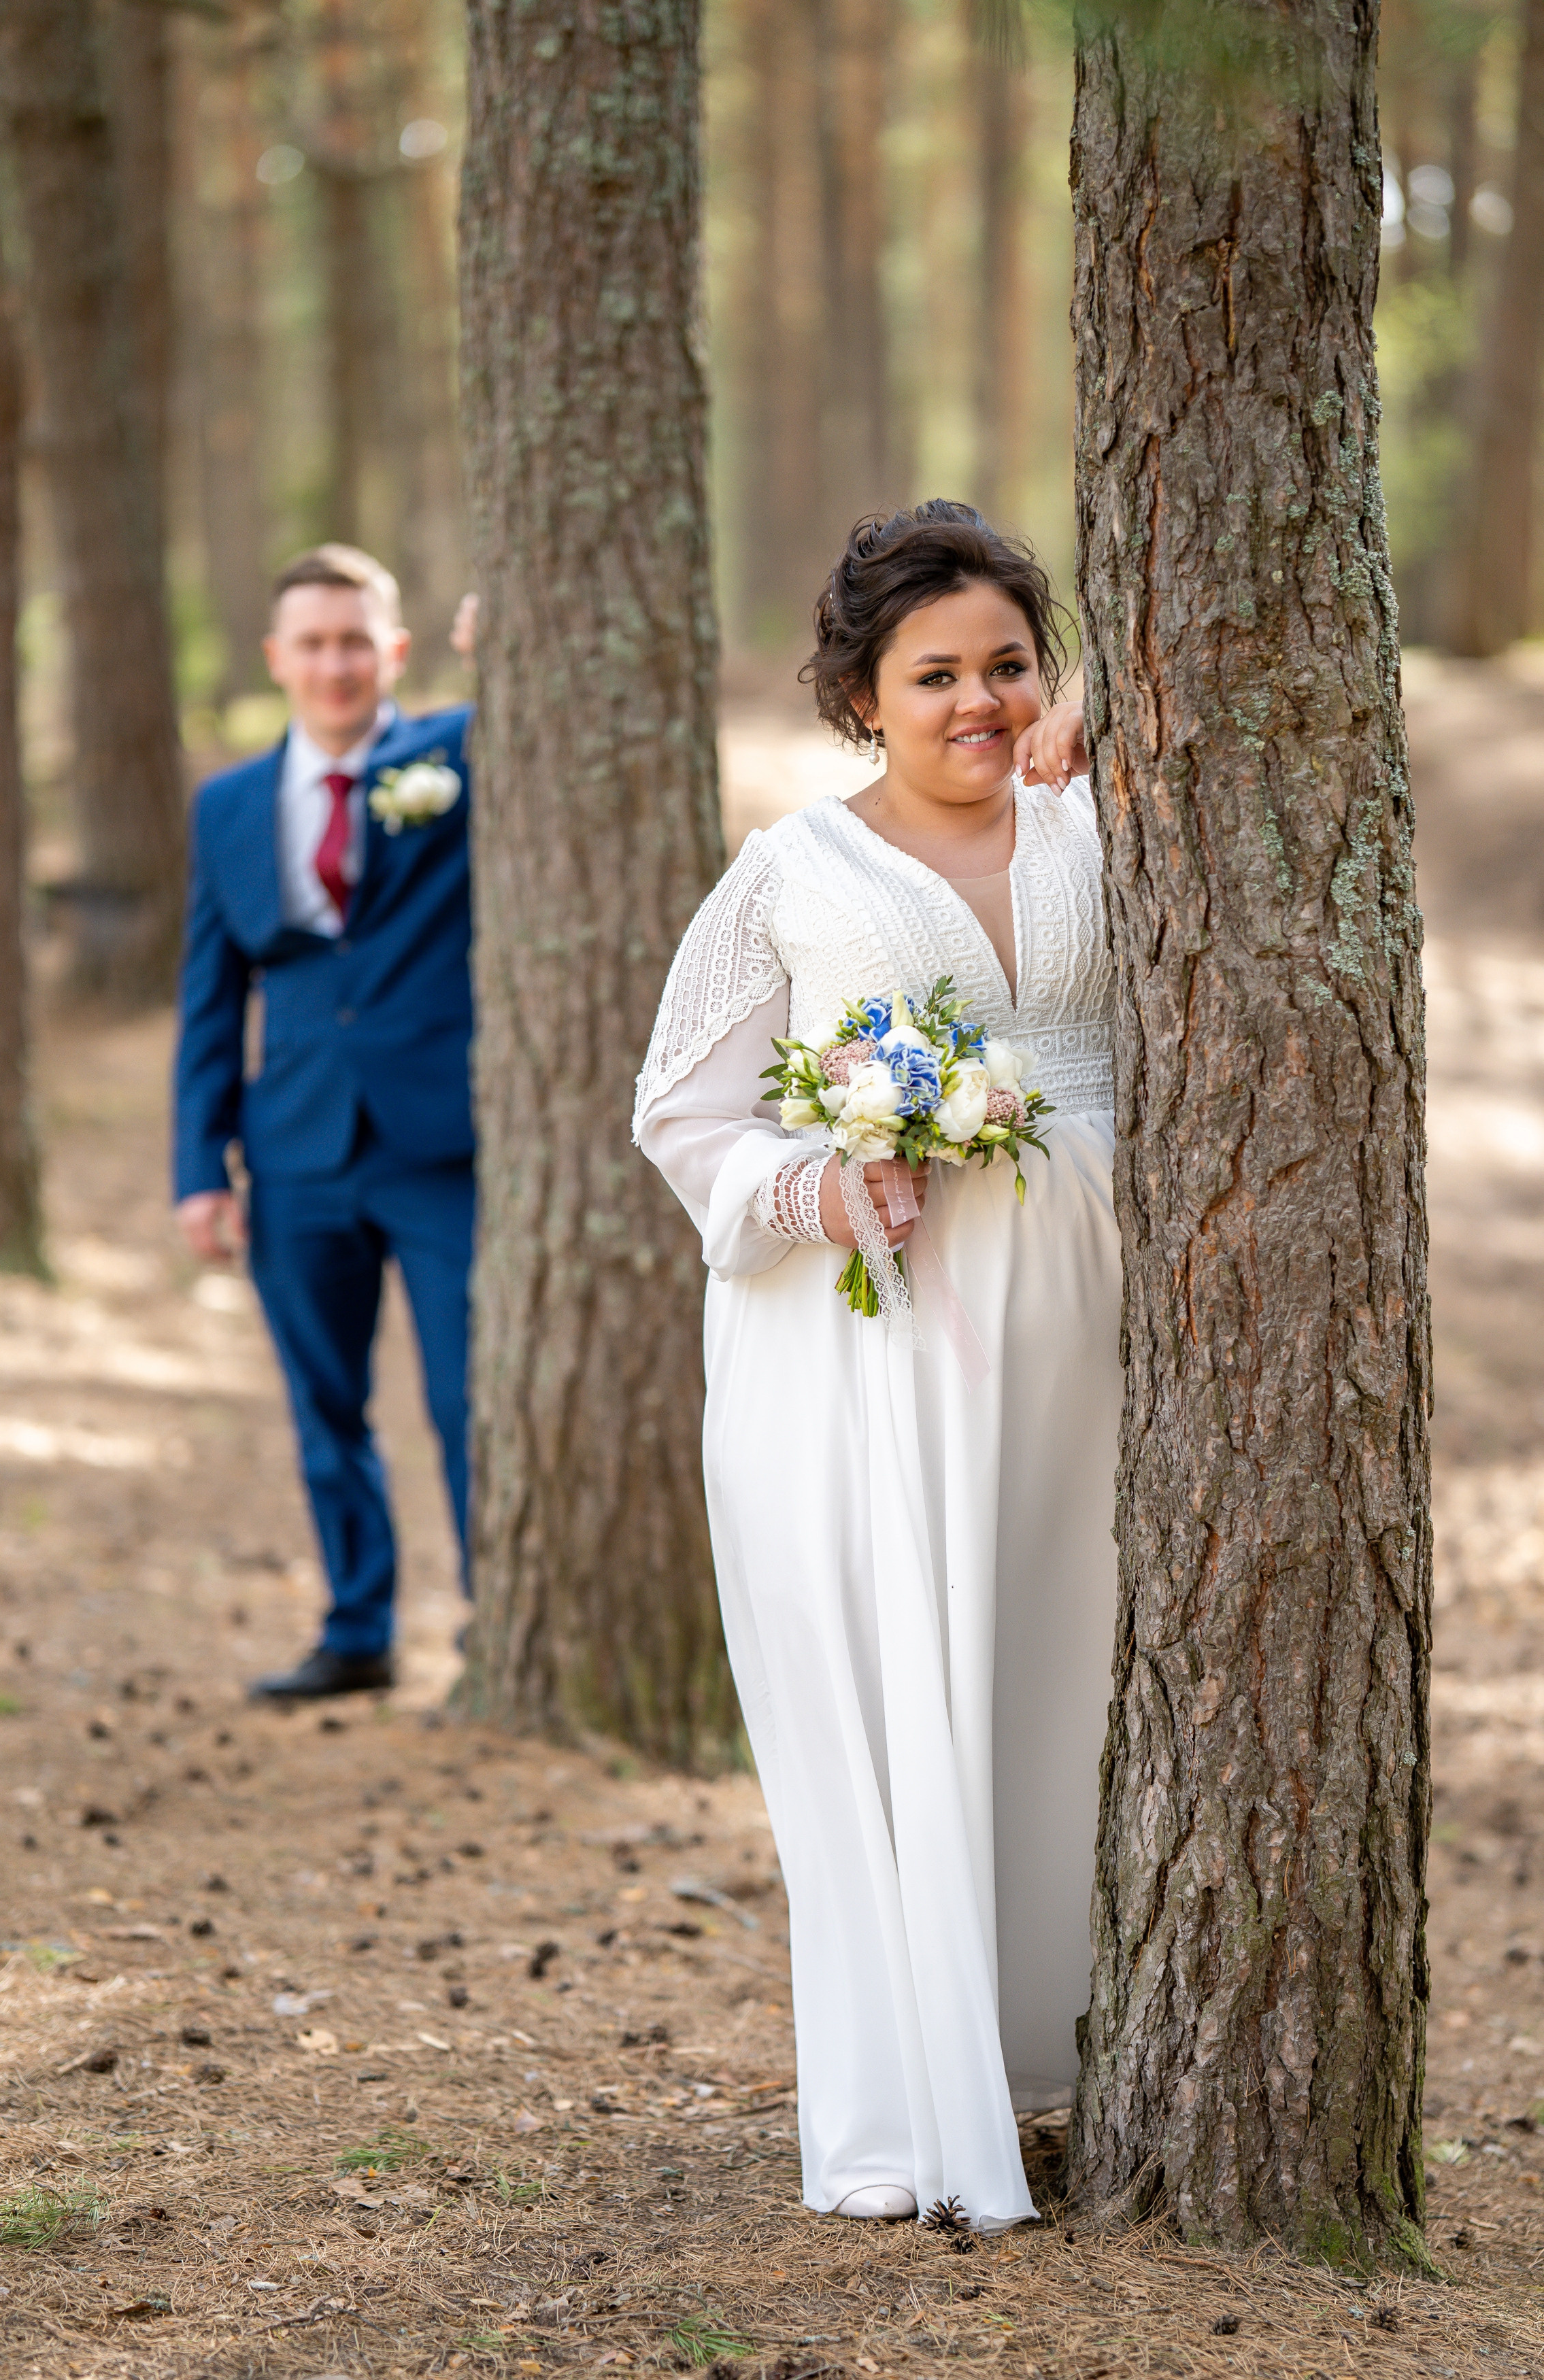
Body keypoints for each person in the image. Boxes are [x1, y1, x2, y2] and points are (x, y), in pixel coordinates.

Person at [634, 501, 1113, 2231]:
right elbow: (681, 1110)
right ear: (860, 691)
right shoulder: (793, 877)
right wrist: (820, 1181)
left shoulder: (1099, 822)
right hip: (879, 1354)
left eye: (1008, 664)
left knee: (1073, 1674)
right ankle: (928, 2092)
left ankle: (1078, 2045)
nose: (978, 702)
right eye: (936, 675)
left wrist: (1101, 712)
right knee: (918, 1685)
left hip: (1105, 1343)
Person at [173, 545, 474, 1701]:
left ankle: (497, 1625)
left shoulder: (454, 755)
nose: (335, 664)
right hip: (293, 1148)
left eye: (356, 641)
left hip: (444, 1144)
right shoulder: (231, 805)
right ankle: (358, 1627)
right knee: (324, 1404)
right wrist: (201, 1165)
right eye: (313, 643)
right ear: (276, 659)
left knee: (464, 1397)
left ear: (393, 652)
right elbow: (211, 996)